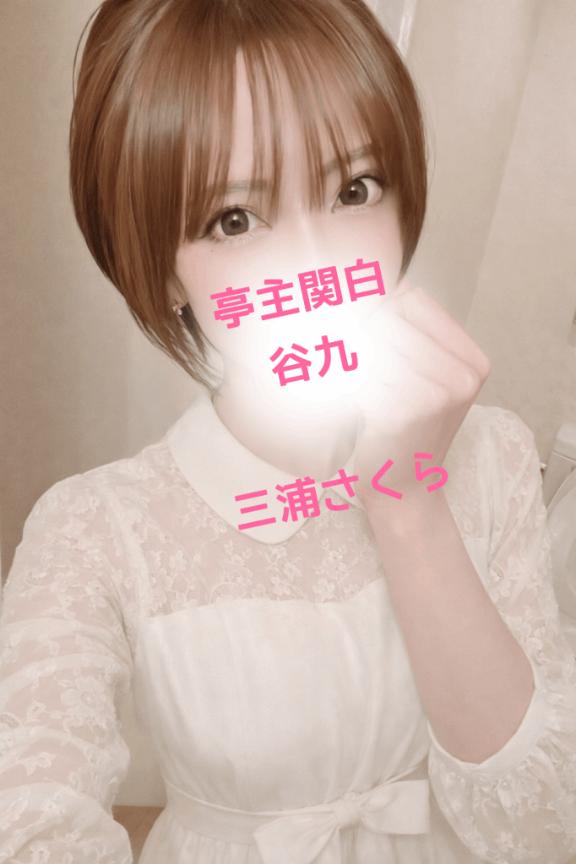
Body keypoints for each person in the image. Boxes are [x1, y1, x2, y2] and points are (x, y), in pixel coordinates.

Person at [1, 0, 576, 862]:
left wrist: (410, 506)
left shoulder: (490, 455)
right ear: (163, 270)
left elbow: (541, 830)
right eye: (235, 219)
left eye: (354, 189)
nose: (321, 265)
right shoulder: (95, 528)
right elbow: (32, 822)